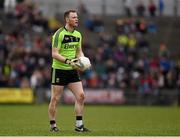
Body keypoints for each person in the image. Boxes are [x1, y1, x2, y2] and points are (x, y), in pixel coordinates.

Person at [48, 10, 89, 132]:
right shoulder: (58, 34)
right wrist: (69, 61)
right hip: (59, 70)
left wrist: (83, 60)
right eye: (74, 17)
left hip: (72, 70)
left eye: (77, 17)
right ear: (67, 19)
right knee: (55, 98)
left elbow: (78, 51)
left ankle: (79, 125)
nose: (77, 19)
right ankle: (53, 125)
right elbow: (54, 54)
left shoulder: (78, 35)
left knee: (81, 96)